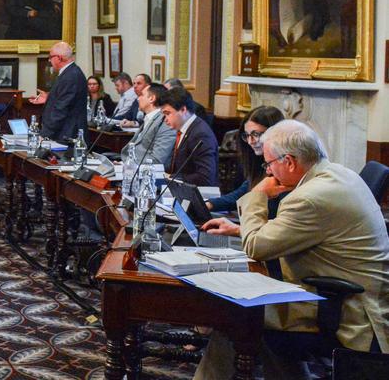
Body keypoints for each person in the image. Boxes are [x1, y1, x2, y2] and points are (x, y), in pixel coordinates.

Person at [195, 120, 389, 379]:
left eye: (269, 164)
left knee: (237, 317)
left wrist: (257, 195)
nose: (268, 173)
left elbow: (256, 247)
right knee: (253, 317)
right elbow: (298, 233)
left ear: (289, 162)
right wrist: (238, 229)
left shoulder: (309, 197)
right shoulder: (338, 174)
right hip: (344, 294)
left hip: (346, 310)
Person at [206, 106, 285, 214]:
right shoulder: (258, 162)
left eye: (256, 134)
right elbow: (241, 193)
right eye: (247, 135)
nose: (250, 141)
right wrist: (208, 204)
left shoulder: (283, 168)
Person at [159, 86, 219, 186]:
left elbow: (205, 177)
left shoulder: (200, 134)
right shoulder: (183, 130)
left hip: (201, 195)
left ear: (183, 110)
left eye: (168, 113)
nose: (165, 119)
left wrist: (172, 177)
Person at [29, 41, 86, 142]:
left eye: (51, 56)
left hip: (68, 135)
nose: (49, 60)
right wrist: (49, 98)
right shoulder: (68, 73)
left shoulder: (71, 75)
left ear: (59, 58)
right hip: (63, 132)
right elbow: (64, 98)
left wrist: (44, 134)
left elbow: (62, 108)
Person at [120, 83, 175, 166]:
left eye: (142, 95)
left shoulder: (165, 122)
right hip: (129, 166)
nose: (138, 99)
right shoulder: (148, 118)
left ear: (151, 98)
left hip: (146, 173)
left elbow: (157, 160)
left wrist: (129, 165)